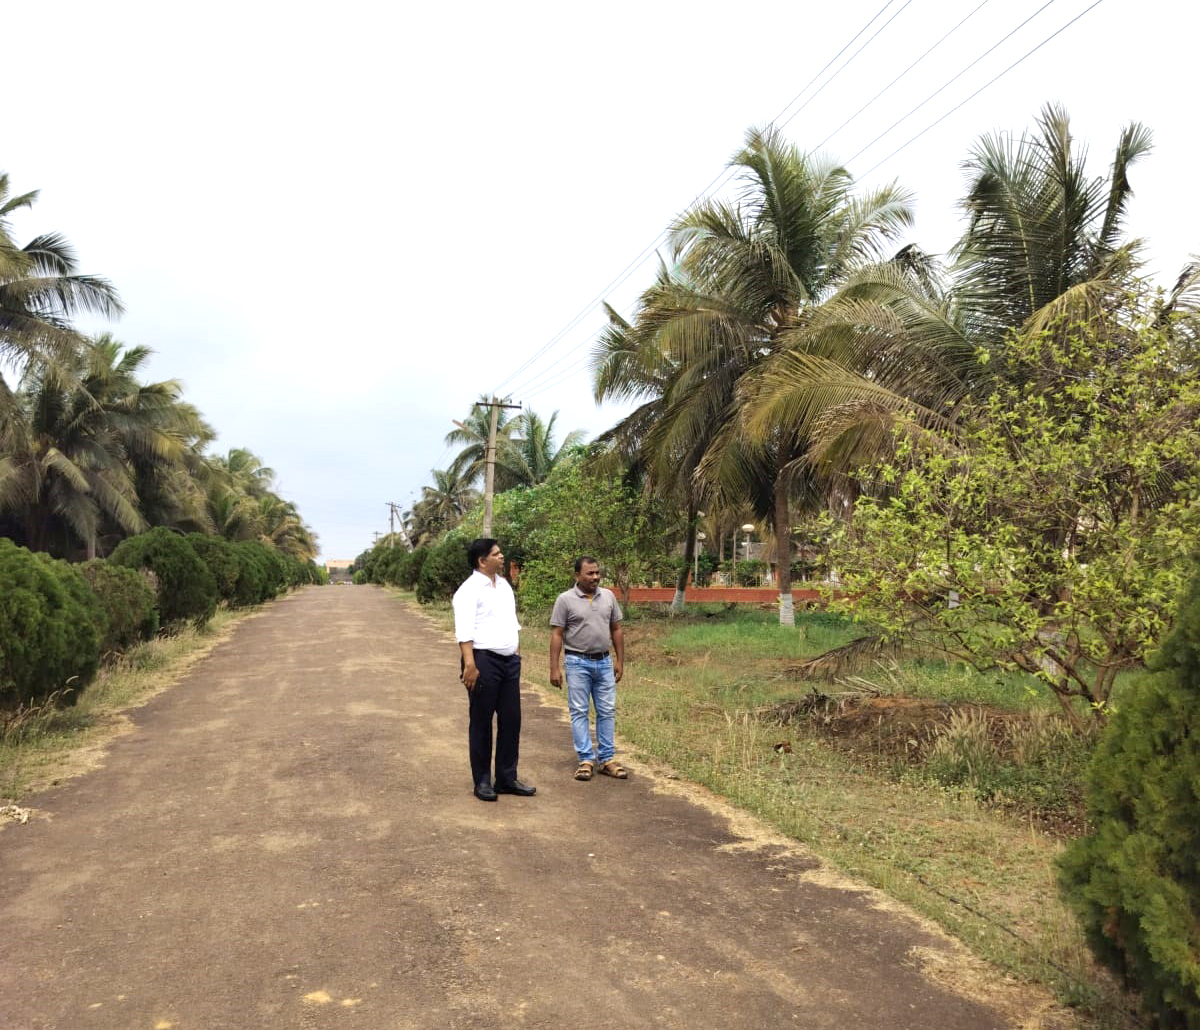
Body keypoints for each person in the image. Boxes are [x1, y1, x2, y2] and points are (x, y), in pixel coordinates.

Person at [452, 538, 536, 802]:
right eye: (496, 554)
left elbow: (512, 621)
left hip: (509, 661)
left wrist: (517, 652)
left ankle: (506, 778)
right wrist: (470, 664)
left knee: (512, 720)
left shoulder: (504, 586)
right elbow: (464, 631)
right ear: (482, 560)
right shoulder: (468, 590)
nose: (502, 557)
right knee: (482, 722)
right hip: (483, 661)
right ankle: (483, 782)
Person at [549, 556, 626, 781]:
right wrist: (554, 667)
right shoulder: (565, 600)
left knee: (607, 710)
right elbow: (556, 634)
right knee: (579, 711)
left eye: (597, 573)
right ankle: (585, 760)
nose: (595, 577)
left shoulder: (609, 596)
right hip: (577, 662)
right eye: (589, 573)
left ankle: (606, 759)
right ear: (577, 576)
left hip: (603, 662)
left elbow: (617, 629)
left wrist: (619, 661)